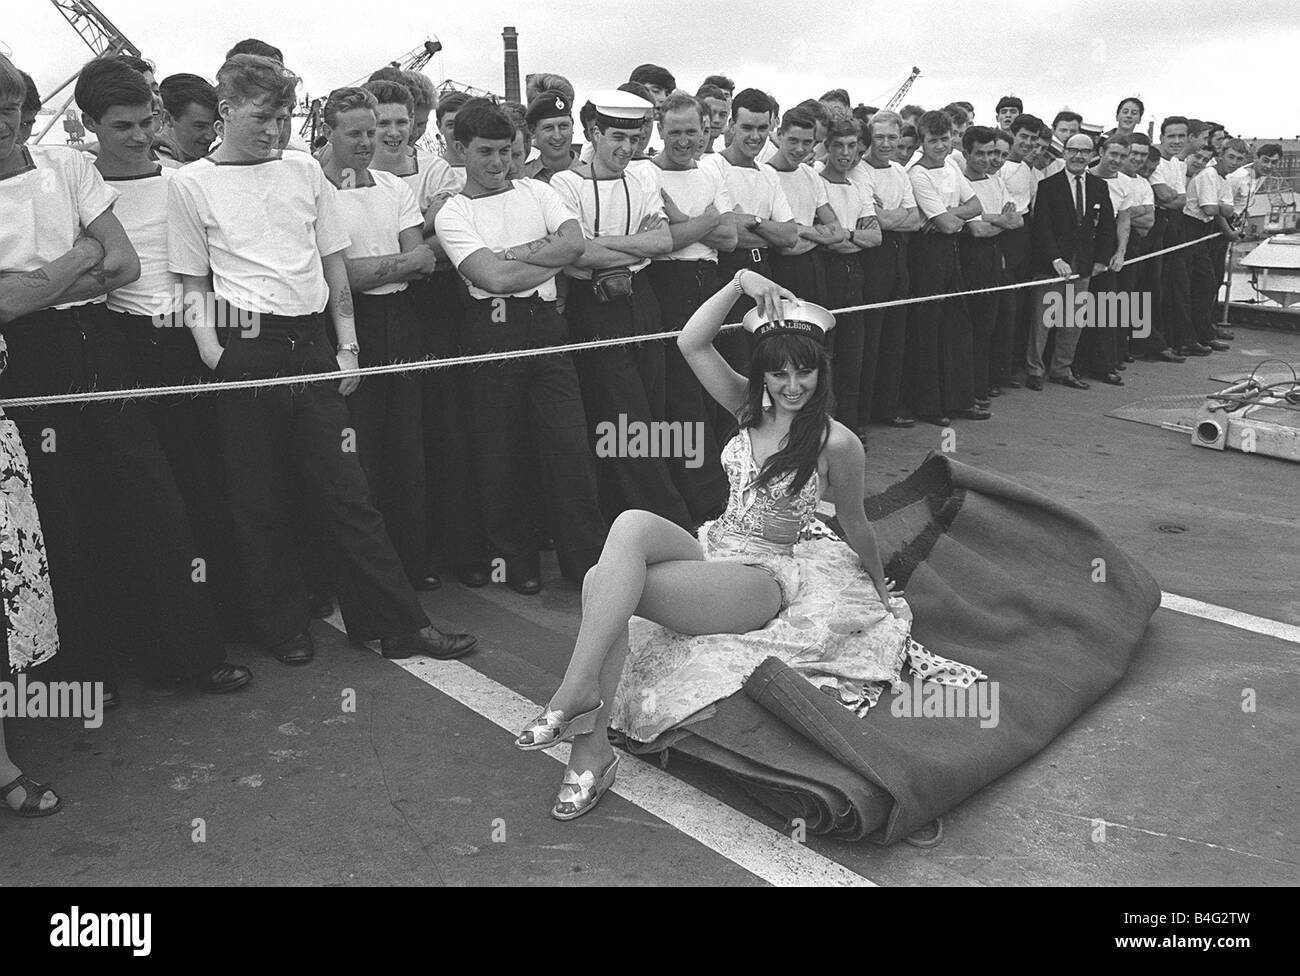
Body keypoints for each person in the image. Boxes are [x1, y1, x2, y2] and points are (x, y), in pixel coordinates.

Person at [513, 270, 983, 821]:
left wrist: (880, 588)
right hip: (712, 545)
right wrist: (739, 282)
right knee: (631, 523)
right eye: (777, 372)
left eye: (803, 371)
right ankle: (581, 698)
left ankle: (585, 737)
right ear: (761, 373)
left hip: (760, 576)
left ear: (819, 371)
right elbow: (690, 341)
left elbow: (856, 521)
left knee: (604, 584)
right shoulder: (746, 406)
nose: (791, 385)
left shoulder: (837, 442)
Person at [167, 53, 476, 663]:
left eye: (283, 117)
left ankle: (393, 623)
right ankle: (281, 626)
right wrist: (212, 351)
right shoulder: (190, 183)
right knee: (257, 497)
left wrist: (347, 346)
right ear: (226, 112)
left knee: (348, 491)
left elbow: (333, 261)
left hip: (311, 343)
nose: (275, 131)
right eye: (261, 117)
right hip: (245, 348)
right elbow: (190, 280)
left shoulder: (305, 170)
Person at [2, 54, 146, 703]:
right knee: (57, 516)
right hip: (26, 363)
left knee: (126, 497)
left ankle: (145, 646)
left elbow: (125, 261)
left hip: (98, 346)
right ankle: (84, 672)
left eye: (11, 107)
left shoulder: (68, 167)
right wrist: (82, 252)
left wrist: (41, 282)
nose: (6, 121)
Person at [433, 100, 607, 594]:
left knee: (570, 450)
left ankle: (587, 565)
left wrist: (516, 259)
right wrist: (537, 256)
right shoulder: (454, 213)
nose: (497, 163)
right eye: (484, 152)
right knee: (500, 453)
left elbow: (575, 244)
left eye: (505, 151)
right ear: (458, 149)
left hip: (547, 328)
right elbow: (493, 276)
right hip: (491, 333)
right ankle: (516, 563)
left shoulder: (538, 190)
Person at [550, 90, 691, 529]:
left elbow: (663, 241)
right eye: (616, 138)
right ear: (593, 133)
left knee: (649, 406)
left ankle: (630, 512)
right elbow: (576, 257)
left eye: (634, 139)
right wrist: (629, 247)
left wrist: (602, 243)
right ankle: (664, 516)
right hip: (593, 306)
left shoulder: (643, 178)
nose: (627, 149)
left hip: (642, 299)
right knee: (623, 413)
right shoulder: (565, 184)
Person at [320, 86, 442, 593]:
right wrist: (396, 263)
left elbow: (424, 261)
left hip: (401, 321)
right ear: (328, 132)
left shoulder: (394, 187)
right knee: (356, 452)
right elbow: (338, 276)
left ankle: (411, 561)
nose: (369, 142)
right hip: (348, 325)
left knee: (406, 447)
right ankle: (359, 574)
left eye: (373, 131)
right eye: (356, 134)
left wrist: (374, 268)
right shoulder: (316, 190)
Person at [649, 93, 737, 524]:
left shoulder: (709, 173)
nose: (684, 141)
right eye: (675, 132)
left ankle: (722, 487)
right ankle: (697, 500)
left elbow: (731, 239)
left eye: (692, 131)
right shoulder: (645, 174)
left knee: (717, 390)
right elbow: (666, 240)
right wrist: (706, 221)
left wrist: (683, 219)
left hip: (712, 283)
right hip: (668, 286)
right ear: (660, 130)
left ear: (706, 130)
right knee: (681, 396)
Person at [697, 88, 798, 380]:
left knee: (766, 357)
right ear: (731, 125)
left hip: (765, 269)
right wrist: (766, 226)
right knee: (736, 360)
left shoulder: (768, 173)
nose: (755, 136)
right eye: (747, 127)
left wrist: (751, 221)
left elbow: (790, 235)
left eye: (762, 128)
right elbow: (729, 232)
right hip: (730, 271)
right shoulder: (712, 166)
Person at [905, 110, 986, 424]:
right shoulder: (917, 174)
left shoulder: (952, 164)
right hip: (926, 254)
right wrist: (954, 216)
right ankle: (929, 406)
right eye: (933, 140)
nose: (940, 145)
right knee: (928, 329)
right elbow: (948, 223)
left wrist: (952, 214)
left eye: (945, 138)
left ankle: (959, 400)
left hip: (950, 252)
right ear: (922, 141)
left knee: (957, 325)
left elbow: (976, 206)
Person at [1025, 133, 1117, 392]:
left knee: (1073, 321)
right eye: (1073, 150)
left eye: (1084, 151)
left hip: (1084, 265)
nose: (1078, 156)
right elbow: (1041, 227)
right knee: (1042, 321)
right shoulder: (1048, 185)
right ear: (1064, 152)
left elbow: (1107, 226)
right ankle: (1034, 369)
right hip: (1051, 265)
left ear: (1092, 155)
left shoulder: (1099, 187)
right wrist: (1055, 258)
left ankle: (1061, 369)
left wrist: (1100, 260)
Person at [855, 110, 920, 431]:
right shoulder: (859, 170)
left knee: (895, 337)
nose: (885, 143)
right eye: (879, 137)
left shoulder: (899, 171)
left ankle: (887, 406)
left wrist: (889, 216)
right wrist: (896, 217)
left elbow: (916, 218)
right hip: (872, 259)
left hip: (899, 258)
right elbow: (875, 221)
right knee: (870, 338)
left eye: (892, 137)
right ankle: (863, 414)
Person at [817, 118, 880, 433]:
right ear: (827, 146)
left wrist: (847, 234)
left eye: (852, 146)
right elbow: (827, 237)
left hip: (854, 273)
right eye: (838, 146)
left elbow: (875, 237)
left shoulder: (858, 186)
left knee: (853, 354)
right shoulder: (816, 181)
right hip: (824, 272)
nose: (845, 153)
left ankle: (850, 428)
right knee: (822, 355)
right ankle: (821, 426)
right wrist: (849, 237)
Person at [959, 126, 1021, 408]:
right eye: (980, 153)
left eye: (991, 153)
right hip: (971, 260)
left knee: (992, 324)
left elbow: (1016, 221)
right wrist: (1000, 222)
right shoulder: (962, 183)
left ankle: (984, 385)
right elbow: (977, 231)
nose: (986, 160)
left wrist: (990, 219)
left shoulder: (995, 181)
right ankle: (970, 389)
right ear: (967, 153)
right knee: (973, 327)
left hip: (995, 260)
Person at [764, 108, 841, 306]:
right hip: (780, 272)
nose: (800, 149)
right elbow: (786, 247)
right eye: (793, 141)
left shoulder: (810, 174)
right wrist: (819, 236)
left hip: (814, 269)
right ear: (780, 135)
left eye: (807, 142)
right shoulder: (764, 175)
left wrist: (803, 231)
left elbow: (837, 231)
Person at [1079, 133, 1135, 383]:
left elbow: (1124, 220)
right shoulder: (1085, 175)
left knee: (1105, 308)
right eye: (1113, 154)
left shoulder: (1125, 183)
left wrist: (1120, 251)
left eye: (1123, 156)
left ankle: (1103, 365)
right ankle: (1074, 364)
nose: (1117, 160)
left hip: (1106, 245)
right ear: (1101, 152)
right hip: (1081, 244)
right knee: (1075, 307)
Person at [155, 73, 217, 164]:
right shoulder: (139, 165)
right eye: (200, 126)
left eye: (216, 126)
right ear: (167, 118)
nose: (212, 137)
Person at [524, 90, 578, 182]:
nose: (557, 136)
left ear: (572, 125)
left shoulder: (592, 176)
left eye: (563, 126)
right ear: (533, 131)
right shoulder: (523, 177)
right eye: (548, 128)